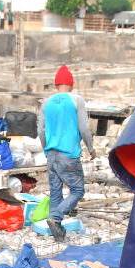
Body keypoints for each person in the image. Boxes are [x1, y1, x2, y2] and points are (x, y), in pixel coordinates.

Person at [38, 65, 94, 243]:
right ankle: (56, 218)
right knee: (77, 190)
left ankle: (58, 235)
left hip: (51, 154)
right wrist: (91, 148)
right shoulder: (77, 100)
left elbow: (40, 130)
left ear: (56, 84)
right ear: (71, 84)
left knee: (55, 191)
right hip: (68, 154)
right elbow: (84, 128)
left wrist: (46, 149)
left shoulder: (46, 103)